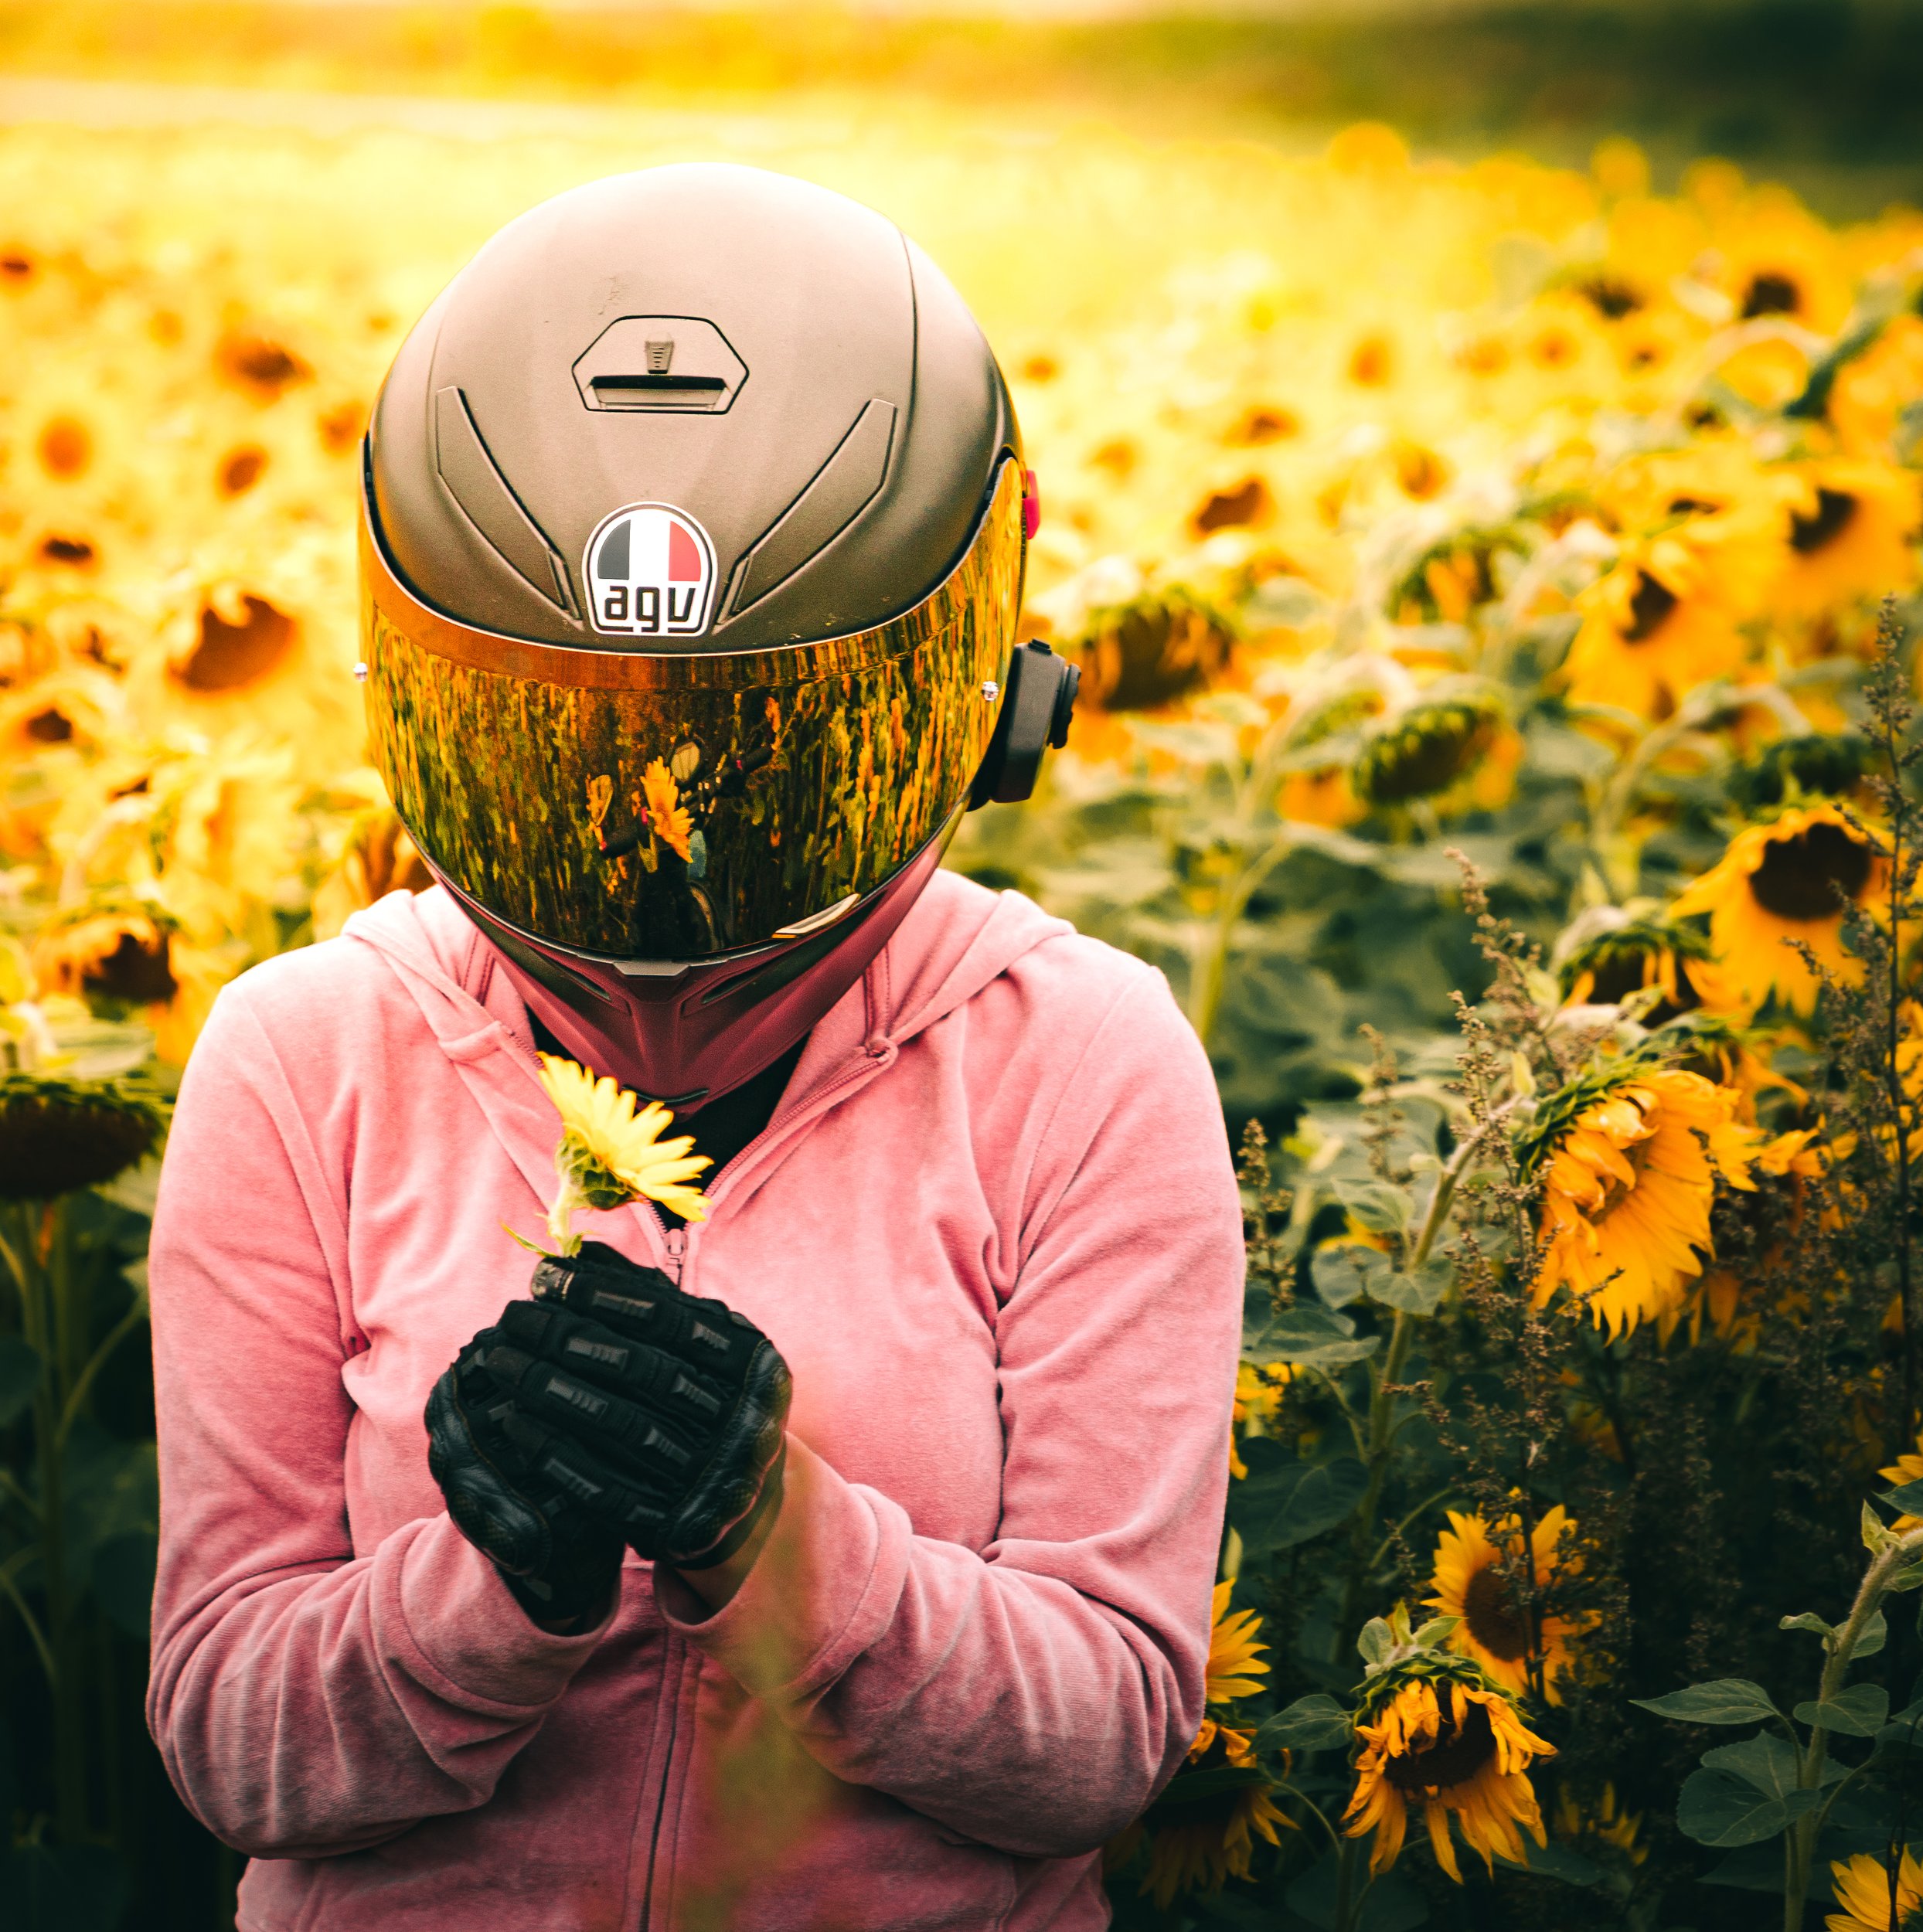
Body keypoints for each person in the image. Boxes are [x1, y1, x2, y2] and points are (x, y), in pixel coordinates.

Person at [145, 163, 1244, 1931]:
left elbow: (1110, 1733)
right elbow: (223, 1736)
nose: (649, 847)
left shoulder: (1080, 1056)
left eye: (774, 758)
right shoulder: (303, 1055)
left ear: (985, 685)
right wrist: (491, 1591)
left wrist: (784, 1545)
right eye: (548, 751)